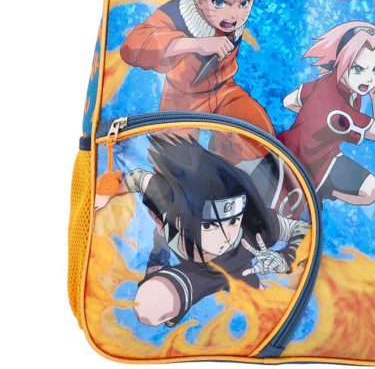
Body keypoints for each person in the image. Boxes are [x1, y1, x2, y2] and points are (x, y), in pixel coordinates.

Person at [120, 0, 314, 159]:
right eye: (220, 3)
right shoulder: (177, 14)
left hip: (225, 91)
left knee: (258, 133)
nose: (234, 15)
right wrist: (196, 44)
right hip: (182, 99)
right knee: (173, 159)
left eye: (244, 3)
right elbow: (132, 47)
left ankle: (233, 170)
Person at [95, 134, 310, 327]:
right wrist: (109, 191)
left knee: (270, 316)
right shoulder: (166, 198)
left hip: (243, 270)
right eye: (209, 225)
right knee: (150, 306)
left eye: (233, 221)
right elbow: (139, 179)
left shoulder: (255, 227)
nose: (226, 236)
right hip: (196, 272)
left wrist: (286, 257)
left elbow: (302, 229)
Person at [278, 21, 375, 206]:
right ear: (342, 60)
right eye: (358, 69)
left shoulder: (327, 81)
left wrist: (316, 118)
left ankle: (321, 189)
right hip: (315, 164)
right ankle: (324, 189)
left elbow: (289, 101)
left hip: (285, 147)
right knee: (373, 190)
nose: (369, 78)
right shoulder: (341, 111)